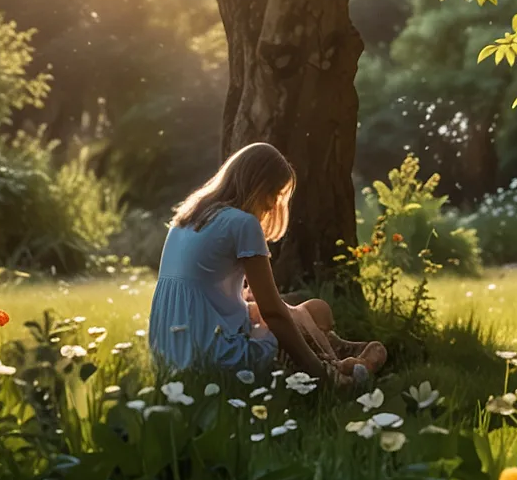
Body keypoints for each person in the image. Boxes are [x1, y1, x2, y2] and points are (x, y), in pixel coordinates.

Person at [148, 142, 386, 384]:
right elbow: (273, 311)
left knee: (301, 305)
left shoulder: (186, 219)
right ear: (257, 186)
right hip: (213, 357)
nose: (273, 205)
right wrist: (320, 375)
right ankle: (332, 370)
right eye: (274, 193)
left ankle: (338, 355)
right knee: (296, 313)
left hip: (170, 356)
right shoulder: (242, 223)